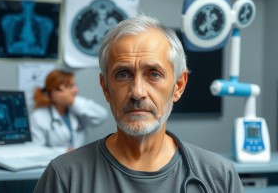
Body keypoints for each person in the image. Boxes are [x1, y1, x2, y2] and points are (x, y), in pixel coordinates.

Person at [34, 15, 244, 192]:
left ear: (178, 86)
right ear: (106, 87)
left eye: (154, 74)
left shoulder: (219, 177)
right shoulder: (64, 177)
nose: (137, 92)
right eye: (123, 74)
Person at [30, 69, 108, 151]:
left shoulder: (78, 109)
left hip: (80, 161)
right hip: (55, 162)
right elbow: (37, 149)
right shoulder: (38, 117)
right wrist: (62, 151)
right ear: (56, 91)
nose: (76, 90)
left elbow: (102, 116)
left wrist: (72, 101)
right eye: (71, 86)